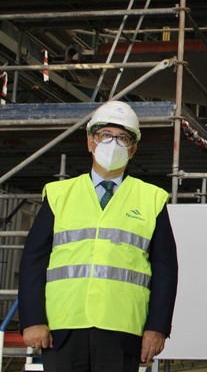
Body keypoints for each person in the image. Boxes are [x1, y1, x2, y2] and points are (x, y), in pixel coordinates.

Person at [18, 100, 179, 371]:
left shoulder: (151, 198)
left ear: (133, 149)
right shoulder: (59, 195)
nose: (113, 144)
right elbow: (33, 260)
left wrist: (157, 327)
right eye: (106, 135)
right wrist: (32, 319)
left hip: (122, 330)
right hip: (62, 328)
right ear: (91, 142)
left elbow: (166, 270)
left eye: (123, 138)